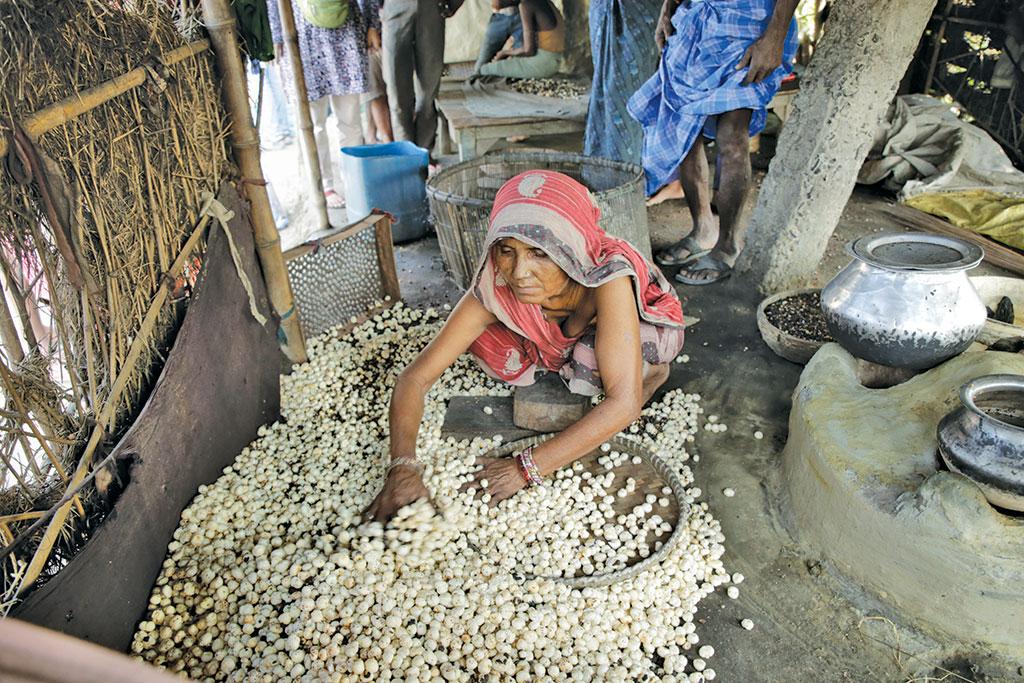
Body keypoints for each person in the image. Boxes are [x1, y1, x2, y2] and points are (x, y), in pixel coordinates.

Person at [364, 171, 686, 522]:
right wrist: (403, 468)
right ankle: (560, 347)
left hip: (641, 323)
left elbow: (623, 404)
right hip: (569, 327)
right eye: (507, 250)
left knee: (593, 366)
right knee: (489, 346)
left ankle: (649, 370)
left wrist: (524, 469)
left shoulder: (608, 277)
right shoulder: (496, 285)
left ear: (570, 250)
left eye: (539, 253)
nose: (519, 272)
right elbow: (415, 378)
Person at [628, 0, 799, 284]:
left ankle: (728, 244)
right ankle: (703, 229)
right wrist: (668, 7)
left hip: (749, 23)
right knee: (685, 130)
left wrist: (775, 36)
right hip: (696, 20)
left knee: (731, 138)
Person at [268, 0, 376, 209]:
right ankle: (324, 186)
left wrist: (373, 24)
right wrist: (277, 35)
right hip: (301, 36)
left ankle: (354, 181)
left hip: (344, 31)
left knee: (350, 121)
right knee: (313, 125)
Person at [584, 0, 662, 166]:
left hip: (637, 14)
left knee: (633, 92)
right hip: (606, 10)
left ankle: (629, 169)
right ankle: (605, 166)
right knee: (605, 87)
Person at [381, 0, 464, 152]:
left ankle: (423, 156)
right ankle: (407, 159)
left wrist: (452, 4)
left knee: (427, 96)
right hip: (394, 8)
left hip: (431, 8)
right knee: (397, 97)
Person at [476, 0, 564, 80]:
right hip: (555, 61)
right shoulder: (547, 2)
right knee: (509, 63)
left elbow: (528, 51)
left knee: (484, 69)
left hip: (542, 65)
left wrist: (504, 53)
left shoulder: (526, 5)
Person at [362, 14, 393, 142]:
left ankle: (381, 137)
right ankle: (387, 139)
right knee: (376, 94)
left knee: (380, 93)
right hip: (371, 36)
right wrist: (372, 27)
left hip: (386, 29)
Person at [473, 0, 524, 76]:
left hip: (522, 16)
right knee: (482, 62)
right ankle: (474, 80)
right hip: (500, 17)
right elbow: (496, 4)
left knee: (522, 59)